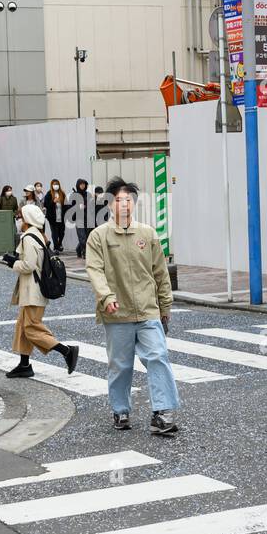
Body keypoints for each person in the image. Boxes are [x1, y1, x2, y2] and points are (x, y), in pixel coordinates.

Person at [85, 178, 179, 436]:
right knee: (121, 365)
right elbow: (94, 270)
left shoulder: (147, 234)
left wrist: (165, 305)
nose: (124, 205)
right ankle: (120, 409)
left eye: (129, 200)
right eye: (119, 200)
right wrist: (106, 297)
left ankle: (162, 413)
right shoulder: (98, 236)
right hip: (117, 313)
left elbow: (160, 272)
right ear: (110, 204)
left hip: (148, 310)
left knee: (158, 356)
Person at [1, 203, 80, 378]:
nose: (18, 219)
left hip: (33, 291)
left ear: (27, 219)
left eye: (20, 217)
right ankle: (24, 365)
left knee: (31, 328)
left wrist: (12, 263)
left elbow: (28, 265)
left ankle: (66, 351)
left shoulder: (28, 237)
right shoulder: (38, 235)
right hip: (33, 290)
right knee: (23, 326)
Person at [71, 178, 95, 258]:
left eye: (84, 184)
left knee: (87, 236)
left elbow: (92, 205)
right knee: (82, 236)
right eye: (81, 184)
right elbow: (70, 207)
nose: (82, 185)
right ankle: (85, 252)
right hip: (79, 218)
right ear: (78, 185)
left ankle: (78, 249)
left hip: (88, 218)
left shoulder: (88, 194)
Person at [45, 179, 68, 251]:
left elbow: (66, 204)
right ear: (52, 185)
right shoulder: (49, 194)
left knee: (61, 232)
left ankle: (59, 243)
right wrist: (53, 201)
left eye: (57, 184)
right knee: (54, 233)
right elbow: (46, 205)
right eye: (54, 184)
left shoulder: (62, 193)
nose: (56, 186)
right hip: (52, 217)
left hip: (61, 216)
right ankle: (56, 247)